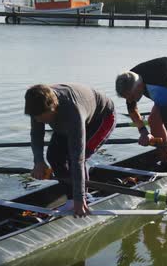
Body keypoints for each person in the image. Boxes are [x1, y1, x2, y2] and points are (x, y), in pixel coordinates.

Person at [24, 83, 115, 217]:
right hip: (69, 119)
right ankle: (71, 198)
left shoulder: (72, 112)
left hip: (101, 118)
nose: (38, 121)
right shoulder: (37, 103)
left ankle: (83, 199)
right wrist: (38, 161)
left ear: (53, 108)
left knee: (74, 160)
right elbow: (37, 134)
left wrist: (79, 198)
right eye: (35, 117)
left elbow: (77, 158)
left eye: (42, 117)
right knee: (54, 156)